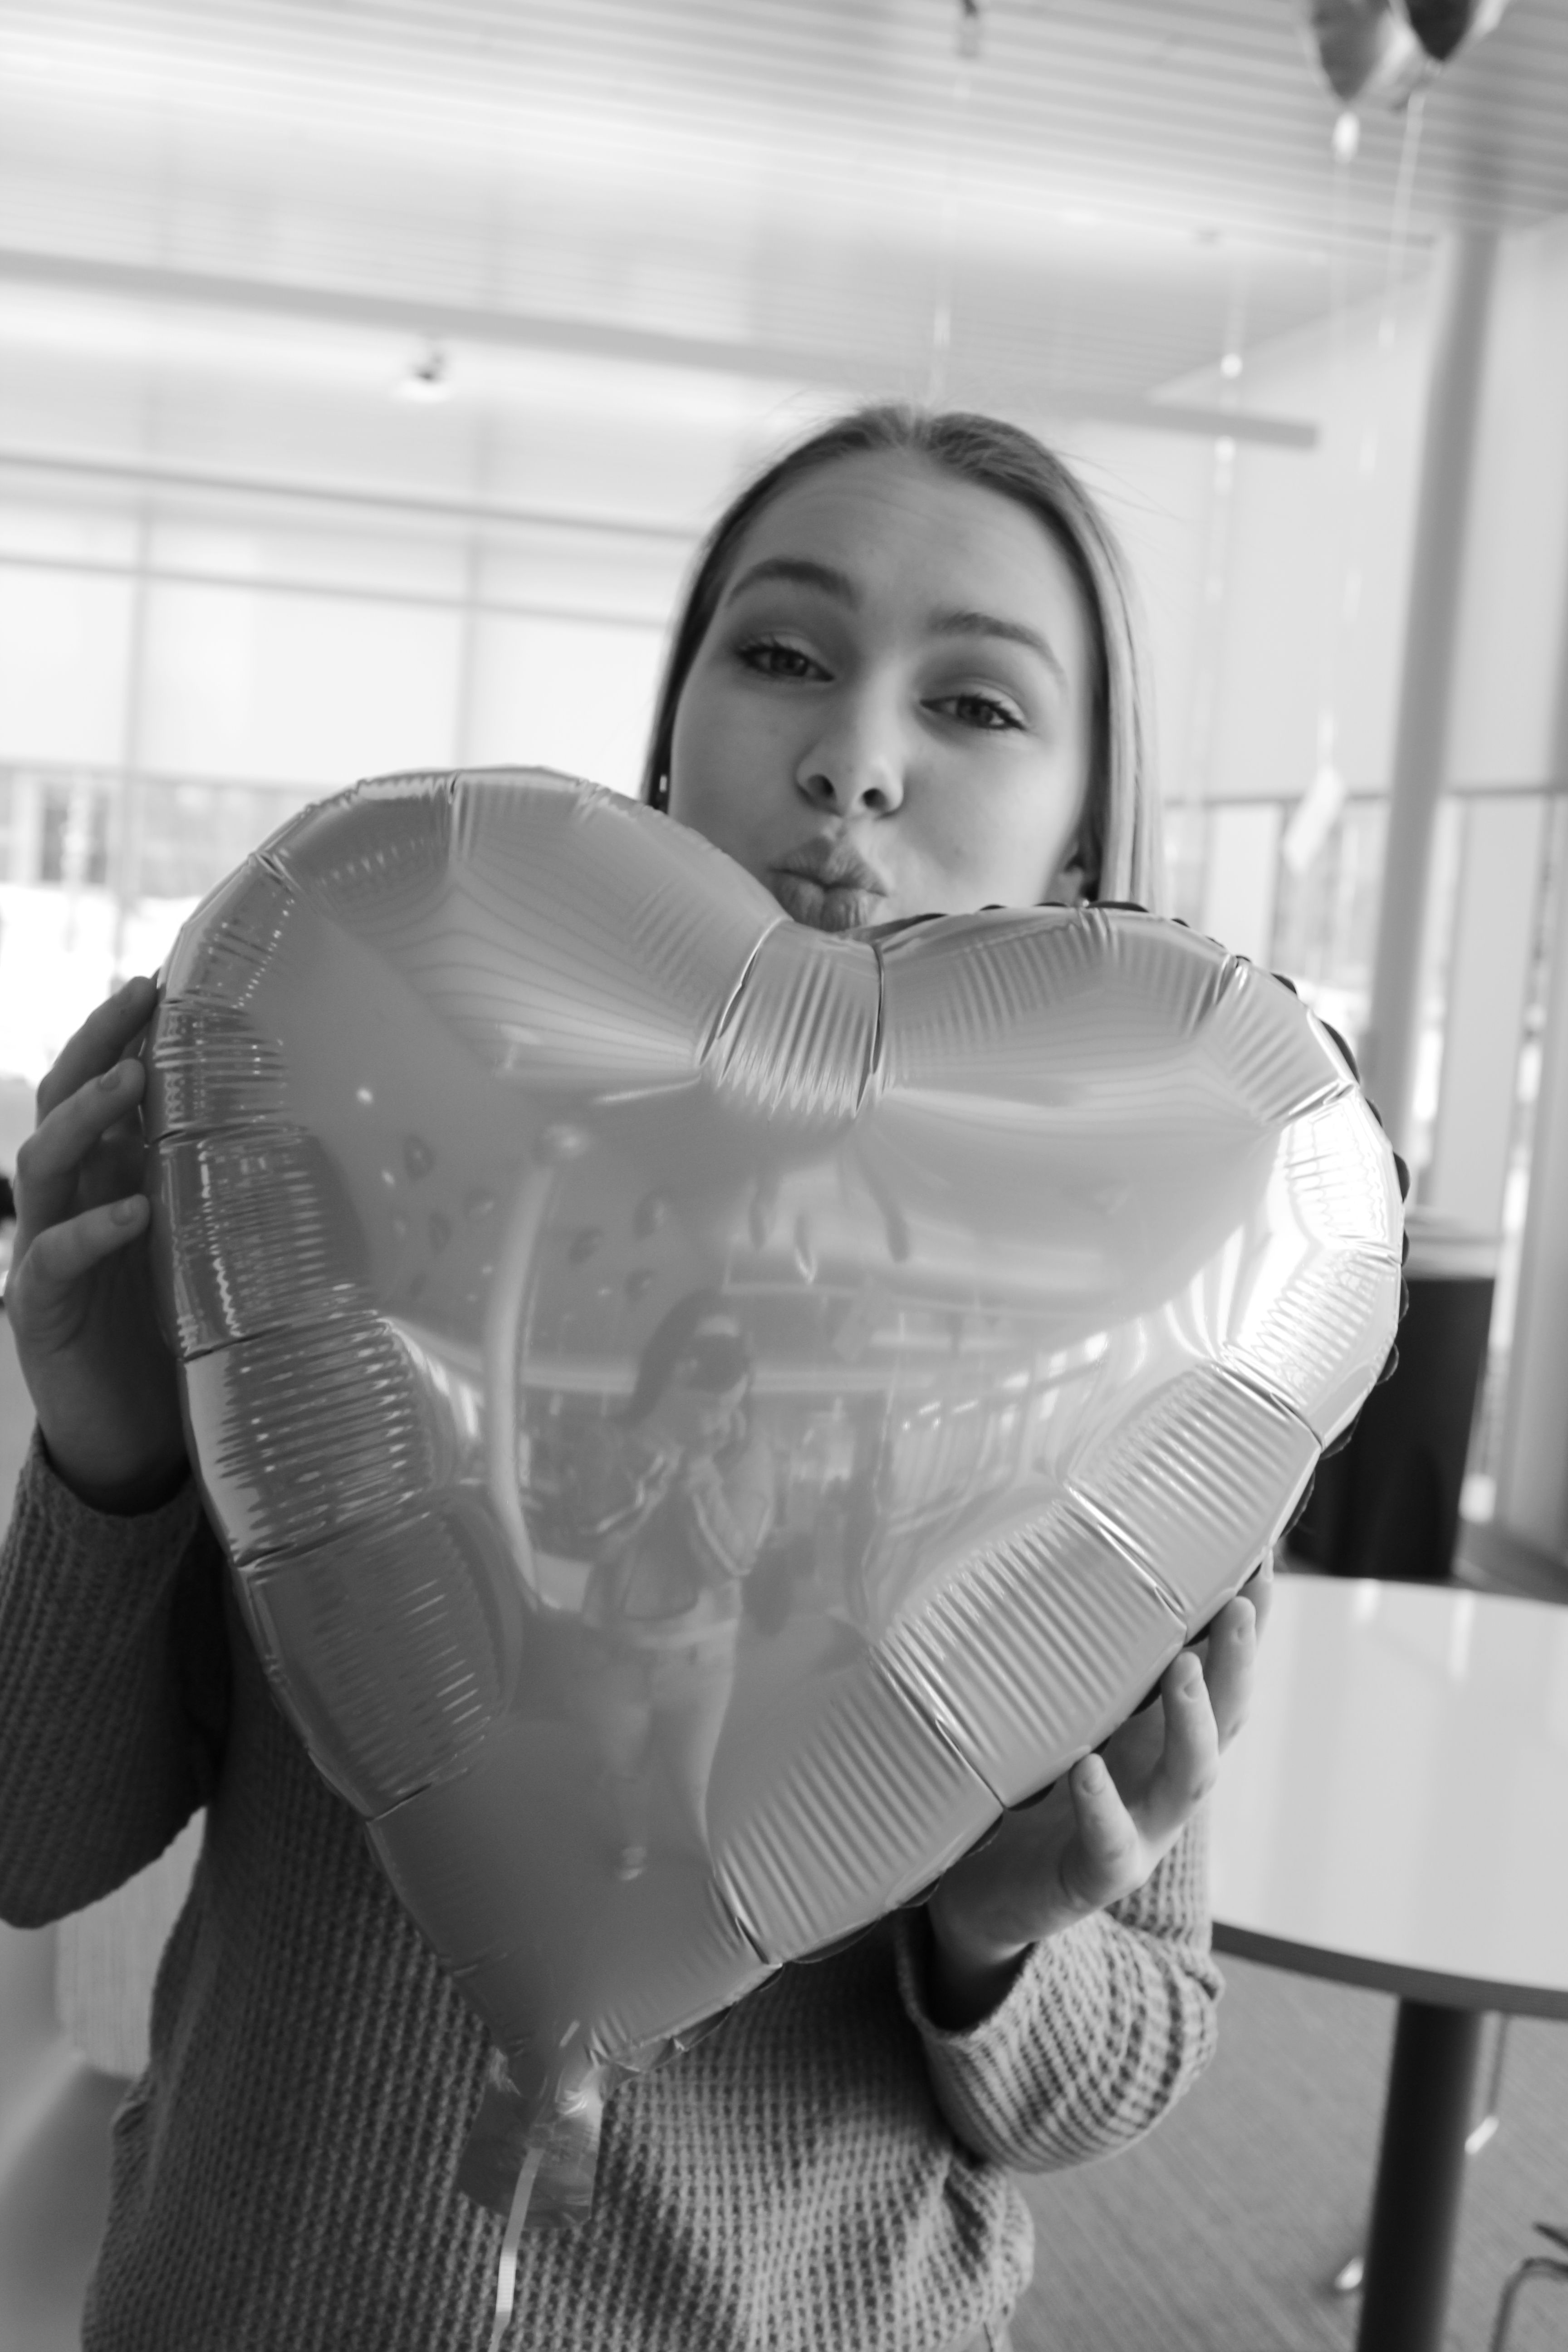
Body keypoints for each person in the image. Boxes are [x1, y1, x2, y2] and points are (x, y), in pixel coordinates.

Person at [0, 402, 1265, 2352]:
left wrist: (984, 1931)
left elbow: (1131, 2056)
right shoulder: (375, 1164)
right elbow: (34, 1842)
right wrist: (104, 1462)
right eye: (781, 653)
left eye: (976, 704)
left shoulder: (1157, 1329)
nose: (854, 758)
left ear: (1083, 824)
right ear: (669, 732)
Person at [559, 1293, 774, 1876]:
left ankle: (711, 1857)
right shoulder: (610, 1437)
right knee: (625, 1771)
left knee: (695, 1784)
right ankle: (636, 1842)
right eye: (698, 1352)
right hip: (612, 1659)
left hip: (704, 1664)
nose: (712, 1367)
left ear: (746, 1369)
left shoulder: (746, 1448)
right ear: (667, 1360)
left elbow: (729, 1566)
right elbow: (597, 1539)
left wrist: (699, 1461)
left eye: (728, 1354)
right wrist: (661, 1439)